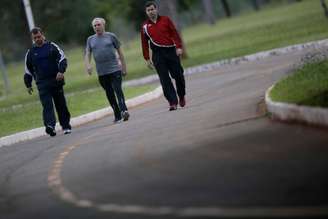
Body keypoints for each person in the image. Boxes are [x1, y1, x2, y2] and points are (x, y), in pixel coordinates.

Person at [24, 27, 71, 137]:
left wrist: (61, 71)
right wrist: (28, 84)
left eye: (39, 37)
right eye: (35, 38)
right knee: (47, 105)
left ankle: (66, 126)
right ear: (32, 38)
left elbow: (62, 59)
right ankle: (50, 126)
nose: (37, 39)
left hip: (56, 80)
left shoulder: (52, 46)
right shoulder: (30, 53)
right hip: (42, 83)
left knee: (61, 105)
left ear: (43, 35)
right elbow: (28, 70)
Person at [141, 1, 186, 111]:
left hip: (171, 52)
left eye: (152, 9)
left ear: (156, 9)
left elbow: (174, 33)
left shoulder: (166, 20)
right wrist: (147, 58)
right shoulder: (145, 26)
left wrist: (179, 47)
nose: (151, 12)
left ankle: (181, 95)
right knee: (164, 79)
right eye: (148, 10)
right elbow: (144, 43)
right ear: (146, 12)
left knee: (178, 75)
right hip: (157, 55)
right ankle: (172, 102)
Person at [84, 17, 129, 123]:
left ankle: (124, 111)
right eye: (95, 25)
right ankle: (117, 115)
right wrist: (88, 65)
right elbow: (87, 53)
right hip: (102, 72)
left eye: (98, 24)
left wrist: (124, 67)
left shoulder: (111, 36)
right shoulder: (90, 39)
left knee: (118, 90)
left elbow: (121, 53)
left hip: (115, 69)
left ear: (103, 25)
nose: (97, 27)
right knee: (109, 94)